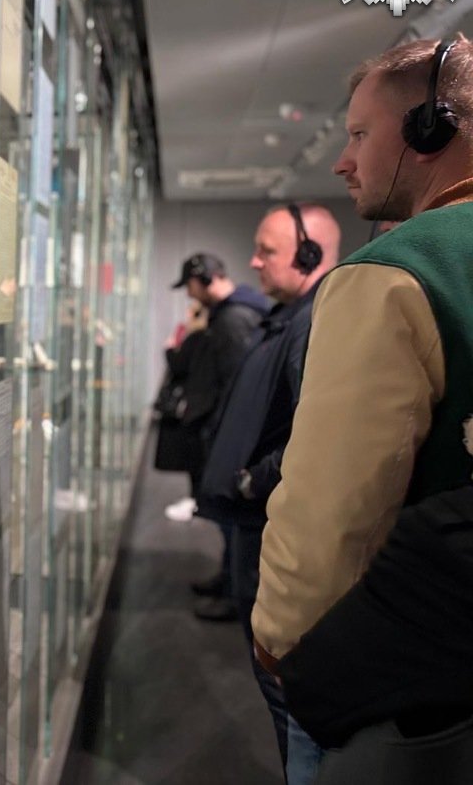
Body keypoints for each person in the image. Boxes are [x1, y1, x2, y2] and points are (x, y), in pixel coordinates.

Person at [253, 36, 473, 784]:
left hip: (405, 678)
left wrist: (282, 644)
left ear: (429, 130)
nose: (343, 161)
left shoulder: (390, 274)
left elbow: (332, 511)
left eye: (357, 134)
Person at [194, 203, 341, 765]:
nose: (253, 261)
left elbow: (317, 429)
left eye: (267, 251)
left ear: (309, 254)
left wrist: (254, 482)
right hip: (256, 522)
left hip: (268, 528)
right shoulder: (290, 315)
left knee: (284, 691)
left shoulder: (315, 320)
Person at [169, 253, 268, 612]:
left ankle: (234, 592)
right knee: (226, 518)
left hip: (231, 436)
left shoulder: (233, 319)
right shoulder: (230, 314)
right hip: (226, 431)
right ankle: (228, 581)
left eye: (191, 286)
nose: (190, 294)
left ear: (205, 279)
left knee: (233, 519)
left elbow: (238, 384)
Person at [154, 301, 210, 518]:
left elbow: (179, 364)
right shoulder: (202, 336)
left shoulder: (197, 337)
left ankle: (196, 501)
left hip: (195, 404)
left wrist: (169, 349)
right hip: (198, 402)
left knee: (195, 457)